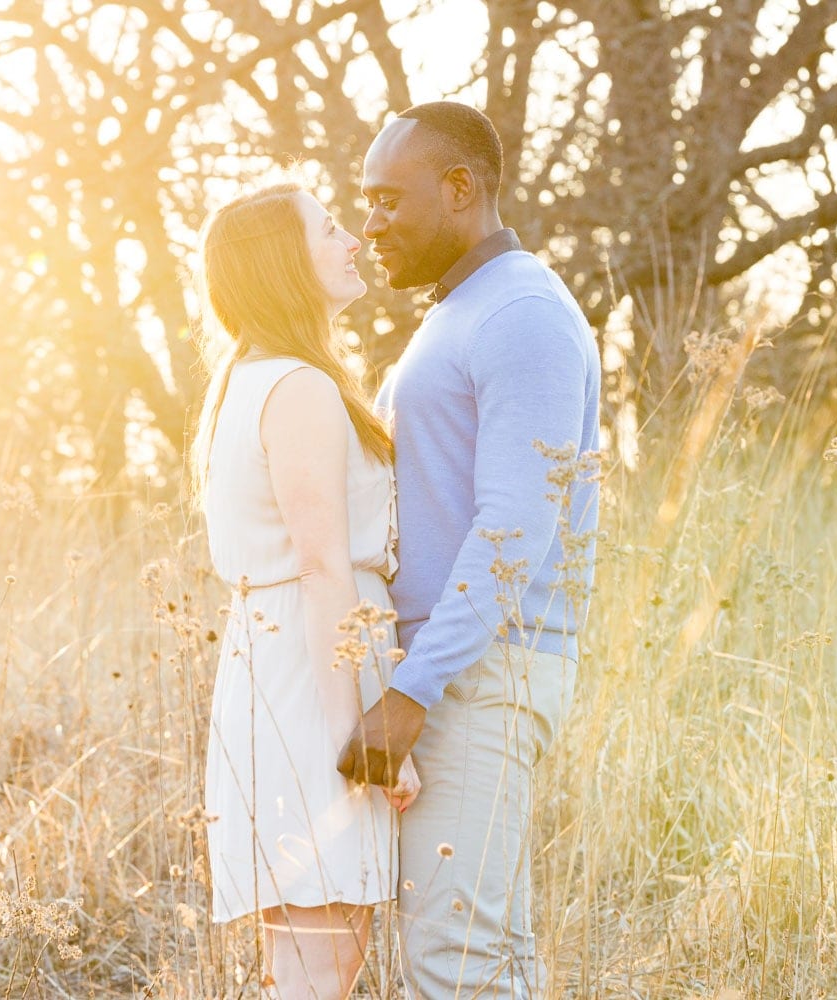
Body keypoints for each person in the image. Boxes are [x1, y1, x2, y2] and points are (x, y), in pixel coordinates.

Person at [337, 103, 602, 997]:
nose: (370, 224)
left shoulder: (523, 313)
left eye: (385, 200)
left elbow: (513, 528)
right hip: (465, 669)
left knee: (454, 960)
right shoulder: (462, 311)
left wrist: (411, 690)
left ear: (460, 189)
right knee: (487, 955)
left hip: (481, 674)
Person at [191, 182, 420, 1000]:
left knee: (310, 962)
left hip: (277, 664)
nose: (353, 238)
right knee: (321, 963)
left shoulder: (248, 380)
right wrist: (364, 737)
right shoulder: (297, 386)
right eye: (329, 229)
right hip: (311, 679)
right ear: (286, 263)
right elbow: (325, 566)